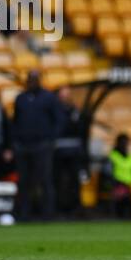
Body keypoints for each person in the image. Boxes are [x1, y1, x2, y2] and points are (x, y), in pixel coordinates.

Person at [11, 70, 62, 220]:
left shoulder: (49, 98)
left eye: (35, 78)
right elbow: (15, 121)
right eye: (30, 79)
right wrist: (15, 141)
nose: (32, 81)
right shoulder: (21, 99)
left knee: (45, 179)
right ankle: (24, 214)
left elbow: (59, 120)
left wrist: (51, 139)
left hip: (42, 145)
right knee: (24, 181)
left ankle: (48, 214)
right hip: (23, 146)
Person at [53, 86, 85, 215]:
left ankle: (75, 207)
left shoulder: (75, 111)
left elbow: (81, 130)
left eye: (67, 94)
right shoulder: (55, 111)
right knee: (58, 180)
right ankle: (58, 207)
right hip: (58, 150)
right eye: (63, 95)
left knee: (74, 181)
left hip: (74, 150)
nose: (65, 97)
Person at [104, 133, 131, 219]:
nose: (124, 144)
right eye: (123, 142)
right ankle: (116, 216)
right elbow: (107, 173)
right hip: (117, 184)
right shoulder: (113, 156)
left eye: (126, 142)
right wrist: (116, 184)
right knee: (120, 197)